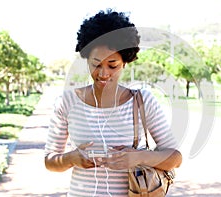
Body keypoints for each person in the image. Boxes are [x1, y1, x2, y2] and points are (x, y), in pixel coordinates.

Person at [44, 9, 182, 196]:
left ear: (125, 61)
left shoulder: (142, 101)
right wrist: (71, 158)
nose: (103, 73)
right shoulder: (66, 102)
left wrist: (138, 157)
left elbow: (175, 158)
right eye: (96, 64)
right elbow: (50, 161)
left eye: (112, 65)